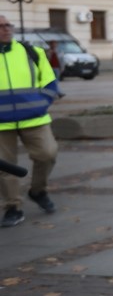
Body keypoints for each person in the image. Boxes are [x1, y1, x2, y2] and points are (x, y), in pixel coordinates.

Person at [0, 16, 60, 227]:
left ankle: (37, 190)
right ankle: (13, 207)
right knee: (5, 167)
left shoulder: (30, 52)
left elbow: (50, 81)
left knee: (48, 154)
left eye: (8, 25)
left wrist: (41, 103)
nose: (6, 29)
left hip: (34, 118)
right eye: (1, 26)